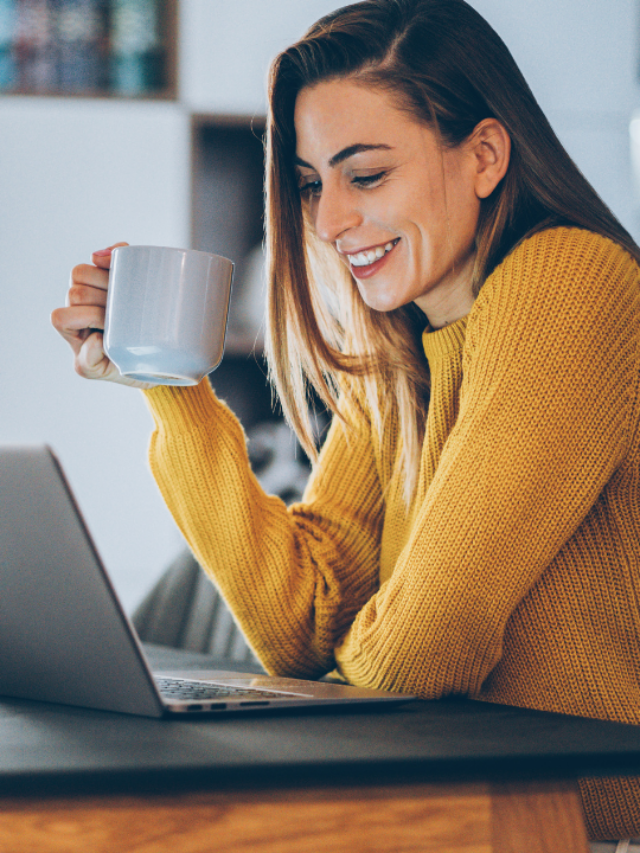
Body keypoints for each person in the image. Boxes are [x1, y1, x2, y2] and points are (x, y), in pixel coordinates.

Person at [51, 0, 640, 846]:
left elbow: (429, 641)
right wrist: (169, 382)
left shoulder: (570, 278)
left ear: (484, 155)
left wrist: (326, 689)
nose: (327, 223)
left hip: (578, 824)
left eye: (364, 176)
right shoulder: (403, 346)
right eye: (311, 182)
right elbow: (303, 623)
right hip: (455, 806)